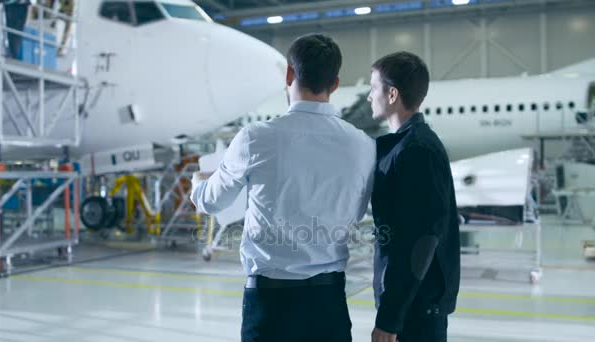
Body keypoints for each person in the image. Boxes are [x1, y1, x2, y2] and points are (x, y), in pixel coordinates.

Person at [191, 34, 376, 342]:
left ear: (289, 74)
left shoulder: (256, 138)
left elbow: (211, 202)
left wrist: (198, 184)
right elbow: (356, 211)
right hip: (328, 303)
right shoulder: (362, 145)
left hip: (270, 303)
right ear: (335, 83)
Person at [367, 52, 460, 342]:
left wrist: (390, 319)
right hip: (413, 305)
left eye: (373, 88)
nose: (370, 97)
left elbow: (418, 242)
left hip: (415, 312)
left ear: (392, 94)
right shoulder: (405, 146)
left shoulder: (416, 150)